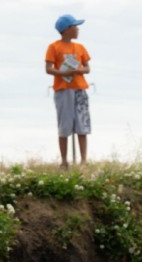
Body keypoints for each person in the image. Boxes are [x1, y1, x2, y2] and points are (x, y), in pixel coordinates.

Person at [45, 14, 91, 168]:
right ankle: (64, 160)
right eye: (75, 26)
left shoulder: (80, 47)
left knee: (82, 124)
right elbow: (48, 69)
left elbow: (87, 68)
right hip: (63, 90)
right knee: (64, 125)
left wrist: (78, 69)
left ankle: (83, 160)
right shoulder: (53, 47)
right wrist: (63, 73)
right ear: (66, 29)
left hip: (79, 88)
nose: (77, 29)